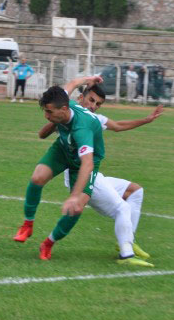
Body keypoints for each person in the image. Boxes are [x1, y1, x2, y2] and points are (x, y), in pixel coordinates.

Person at [37, 82, 163, 267]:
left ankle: (127, 240)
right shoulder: (68, 115)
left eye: (98, 104)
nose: (94, 106)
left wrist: (147, 119)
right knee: (121, 208)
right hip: (81, 175)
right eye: (91, 100)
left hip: (93, 174)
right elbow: (45, 129)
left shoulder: (94, 119)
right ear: (81, 98)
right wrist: (52, 123)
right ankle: (126, 255)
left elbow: (118, 125)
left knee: (135, 191)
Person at [13, 78, 105, 261]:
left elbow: (87, 164)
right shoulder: (62, 100)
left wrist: (74, 196)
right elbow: (72, 83)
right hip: (63, 149)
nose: (46, 115)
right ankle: (27, 225)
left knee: (77, 207)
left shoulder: (82, 128)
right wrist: (90, 79)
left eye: (49, 112)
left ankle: (48, 243)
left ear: (63, 109)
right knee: (37, 177)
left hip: (85, 162)